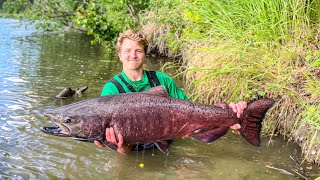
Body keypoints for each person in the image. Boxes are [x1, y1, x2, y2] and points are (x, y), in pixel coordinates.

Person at [94, 29, 247, 154]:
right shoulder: (111, 89)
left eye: (138, 51)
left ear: (145, 54)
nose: (132, 55)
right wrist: (111, 142)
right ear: (119, 54)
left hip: (168, 147)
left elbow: (192, 112)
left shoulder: (163, 80)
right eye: (127, 51)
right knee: (122, 149)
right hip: (130, 151)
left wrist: (228, 117)